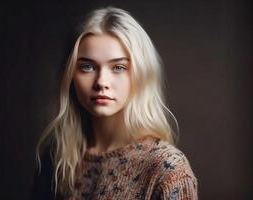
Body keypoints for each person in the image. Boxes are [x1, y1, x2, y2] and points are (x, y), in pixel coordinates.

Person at [33, 7, 198, 200]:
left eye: (118, 67)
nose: (101, 82)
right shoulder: (56, 157)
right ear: (69, 75)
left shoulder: (167, 168)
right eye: (87, 67)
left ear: (141, 74)